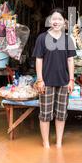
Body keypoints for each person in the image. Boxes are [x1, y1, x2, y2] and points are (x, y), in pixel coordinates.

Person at [32, 8, 76, 148]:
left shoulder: (68, 39)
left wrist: (71, 80)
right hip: (46, 82)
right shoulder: (42, 38)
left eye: (59, 19)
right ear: (50, 20)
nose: (56, 21)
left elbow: (70, 60)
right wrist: (40, 80)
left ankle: (58, 143)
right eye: (54, 18)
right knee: (45, 114)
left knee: (61, 114)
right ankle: (46, 144)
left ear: (64, 22)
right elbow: (39, 59)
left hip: (63, 82)